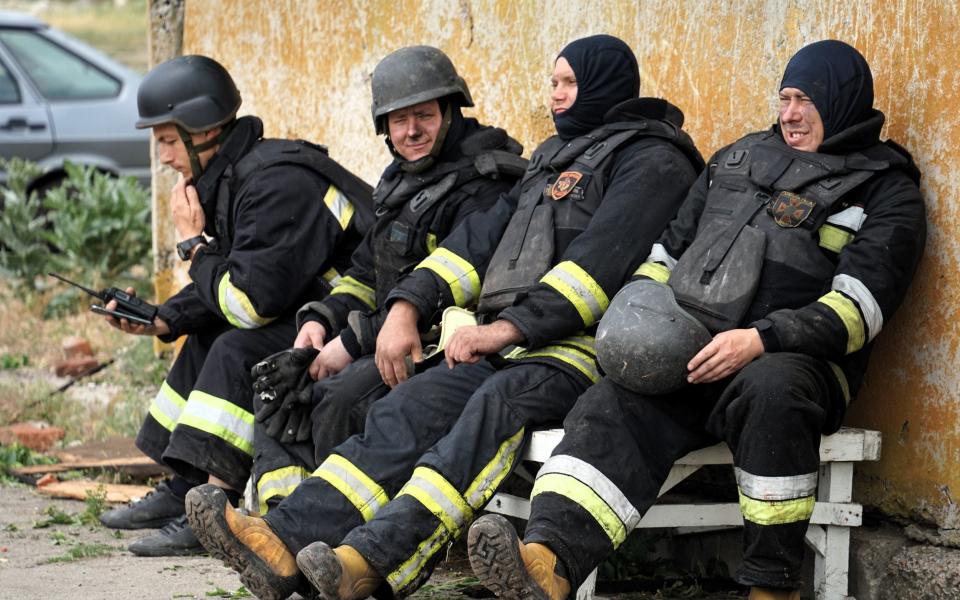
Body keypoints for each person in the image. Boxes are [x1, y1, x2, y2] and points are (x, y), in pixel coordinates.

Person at [186, 34, 704, 600]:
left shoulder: (654, 160)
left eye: (567, 83)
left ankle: (367, 563)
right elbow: (475, 245)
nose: (554, 95)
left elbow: (598, 266)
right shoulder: (557, 157)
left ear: (604, 85)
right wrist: (408, 305)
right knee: (406, 409)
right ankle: (282, 542)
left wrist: (504, 329)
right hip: (510, 346)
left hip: (581, 351)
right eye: (553, 82)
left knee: (493, 408)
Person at [465, 40, 926, 600]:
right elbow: (666, 255)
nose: (790, 114)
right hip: (692, 352)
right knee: (612, 402)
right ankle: (548, 563)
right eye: (784, 97)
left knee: (772, 391)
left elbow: (861, 310)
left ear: (844, 100)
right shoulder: (733, 160)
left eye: (807, 99)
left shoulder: (888, 190)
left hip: (793, 364)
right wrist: (640, 321)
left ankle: (771, 586)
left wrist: (760, 339)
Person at [96, 55, 373, 557]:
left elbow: (248, 304)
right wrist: (163, 318)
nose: (162, 157)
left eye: (166, 140)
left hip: (351, 318)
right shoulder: (232, 178)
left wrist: (190, 246)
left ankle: (216, 510)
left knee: (235, 345)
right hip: (306, 310)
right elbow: (233, 276)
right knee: (204, 334)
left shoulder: (274, 182)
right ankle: (183, 491)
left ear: (203, 133)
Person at [250, 45, 526, 514]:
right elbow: (365, 275)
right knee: (282, 383)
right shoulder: (404, 181)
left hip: (442, 347)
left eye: (424, 115)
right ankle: (280, 516)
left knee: (338, 399)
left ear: (450, 111)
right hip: (384, 336)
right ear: (385, 129)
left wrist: (353, 342)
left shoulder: (485, 186)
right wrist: (321, 320)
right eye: (399, 121)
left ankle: (341, 526)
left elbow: (446, 294)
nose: (412, 131)